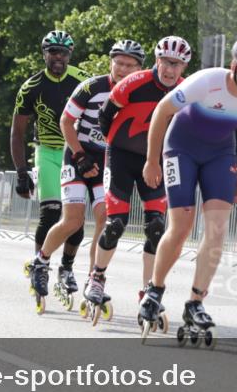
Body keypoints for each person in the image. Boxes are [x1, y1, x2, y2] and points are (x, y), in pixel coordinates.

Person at [138, 35, 237, 341]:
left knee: (217, 230)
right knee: (182, 225)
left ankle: (195, 302)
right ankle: (154, 290)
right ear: (234, 67)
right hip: (181, 147)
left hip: (220, 153)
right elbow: (162, 112)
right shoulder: (206, 82)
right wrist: (152, 160)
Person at [26, 40, 146, 312]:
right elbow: (66, 122)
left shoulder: (140, 92)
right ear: (110, 63)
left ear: (140, 68)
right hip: (78, 155)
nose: (123, 69)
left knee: (106, 219)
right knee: (73, 220)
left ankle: (95, 279)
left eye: (130, 65)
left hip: (108, 160)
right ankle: (41, 261)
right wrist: (80, 156)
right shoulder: (91, 87)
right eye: (119, 63)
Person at [88, 36, 190, 324]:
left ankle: (148, 292)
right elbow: (105, 116)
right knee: (116, 223)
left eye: (177, 64)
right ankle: (97, 277)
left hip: (155, 162)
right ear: (157, 61)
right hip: (120, 156)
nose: (170, 70)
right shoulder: (135, 82)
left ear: (183, 66)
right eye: (166, 62)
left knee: (157, 226)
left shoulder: (185, 90)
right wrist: (113, 145)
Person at [10, 30, 86, 313]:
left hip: (76, 151)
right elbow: (17, 132)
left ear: (70, 55)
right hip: (48, 152)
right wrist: (21, 171)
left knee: (75, 217)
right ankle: (40, 266)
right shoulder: (31, 87)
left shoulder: (82, 80)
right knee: (52, 212)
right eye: (53, 52)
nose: (58, 57)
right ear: (44, 54)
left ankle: (66, 267)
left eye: (63, 53)